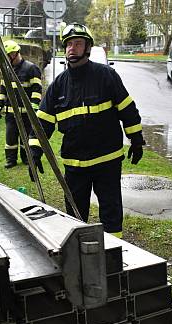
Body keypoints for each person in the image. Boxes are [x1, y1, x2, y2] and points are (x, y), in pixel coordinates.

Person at [28, 23, 145, 238]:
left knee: (110, 210)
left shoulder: (106, 76)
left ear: (88, 47)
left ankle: (113, 250)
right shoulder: (58, 86)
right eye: (69, 44)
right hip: (75, 165)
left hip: (107, 161)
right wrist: (34, 151)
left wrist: (136, 139)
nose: (72, 48)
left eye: (78, 43)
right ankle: (80, 253)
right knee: (74, 213)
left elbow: (127, 109)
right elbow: (42, 122)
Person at [0, 40, 43, 169]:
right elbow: (3, 89)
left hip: (26, 113)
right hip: (11, 113)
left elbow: (37, 88)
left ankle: (27, 158)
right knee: (10, 137)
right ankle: (11, 160)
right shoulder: (7, 70)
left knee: (26, 138)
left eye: (8, 55)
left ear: (15, 54)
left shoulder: (31, 68)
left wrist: (34, 106)